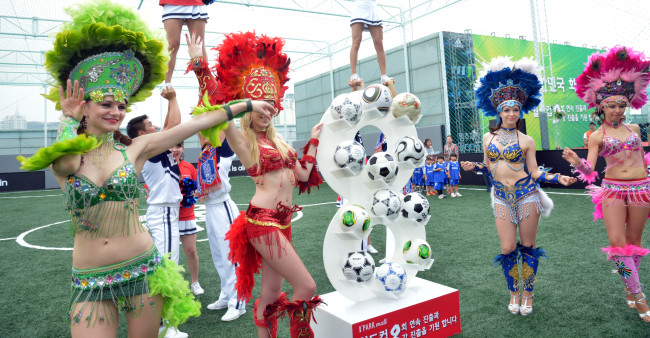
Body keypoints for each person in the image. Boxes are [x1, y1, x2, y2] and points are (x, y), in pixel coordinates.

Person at [16, 2, 276, 336]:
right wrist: (68, 118)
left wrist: (247, 104)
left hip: (143, 270)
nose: (116, 112)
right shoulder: (69, 156)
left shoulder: (134, 149)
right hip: (90, 280)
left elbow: (196, 123)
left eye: (122, 106)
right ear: (85, 106)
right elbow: (65, 163)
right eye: (107, 104)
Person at [186, 31, 324, 337]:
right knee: (306, 286)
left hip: (284, 222)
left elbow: (302, 175)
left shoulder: (280, 141)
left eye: (270, 107)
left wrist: (314, 139)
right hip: (263, 223)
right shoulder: (242, 139)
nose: (267, 112)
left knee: (271, 296)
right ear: (250, 107)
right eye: (260, 106)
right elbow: (217, 109)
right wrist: (200, 67)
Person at [461, 56, 575, 317]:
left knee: (529, 245)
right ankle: (513, 291)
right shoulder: (487, 137)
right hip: (501, 197)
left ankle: (528, 293)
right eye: (506, 109)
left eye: (515, 109)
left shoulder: (527, 140)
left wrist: (558, 178)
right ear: (498, 111)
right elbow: (489, 167)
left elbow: (534, 171)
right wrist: (474, 167)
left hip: (526, 195)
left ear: (520, 111)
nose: (511, 113)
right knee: (507, 248)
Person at [562, 46, 650, 322]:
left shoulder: (635, 129)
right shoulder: (597, 136)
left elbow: (642, 160)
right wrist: (577, 162)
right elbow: (590, 169)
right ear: (601, 105)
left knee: (635, 243)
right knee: (617, 243)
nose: (617, 109)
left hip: (641, 190)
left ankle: (629, 286)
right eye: (611, 105)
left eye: (621, 104)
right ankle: (638, 295)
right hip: (612, 191)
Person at [127, 94, 183, 273]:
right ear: (141, 133)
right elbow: (173, 126)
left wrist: (169, 102)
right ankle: (166, 300)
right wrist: (173, 98)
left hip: (166, 210)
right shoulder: (148, 147)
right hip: (163, 210)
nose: (156, 126)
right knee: (168, 266)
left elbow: (168, 127)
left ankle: (164, 299)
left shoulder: (150, 145)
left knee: (167, 261)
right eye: (151, 125)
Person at [199, 135, 248, 322]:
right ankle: (226, 296)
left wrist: (219, 112)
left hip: (223, 207)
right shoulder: (206, 149)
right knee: (218, 256)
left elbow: (223, 123)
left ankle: (238, 302)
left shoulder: (224, 150)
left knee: (231, 257)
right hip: (210, 208)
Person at [170, 141, 204, 298]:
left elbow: (198, 189)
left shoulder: (189, 167)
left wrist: (192, 194)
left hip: (187, 215)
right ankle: (172, 284)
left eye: (178, 146)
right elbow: (150, 191)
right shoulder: (162, 167)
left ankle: (195, 282)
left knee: (191, 251)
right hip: (168, 216)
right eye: (171, 146)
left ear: (182, 148)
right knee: (168, 254)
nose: (174, 150)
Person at [160, 0, 209, 86]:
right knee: (172, 44)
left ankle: (205, 85)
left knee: (199, 44)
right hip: (172, 3)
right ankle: (167, 85)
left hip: (196, 3)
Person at [349, 0, 391, 89]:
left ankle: (384, 76)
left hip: (372, 8)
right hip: (359, 7)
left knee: (379, 43)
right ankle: (354, 75)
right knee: (356, 41)